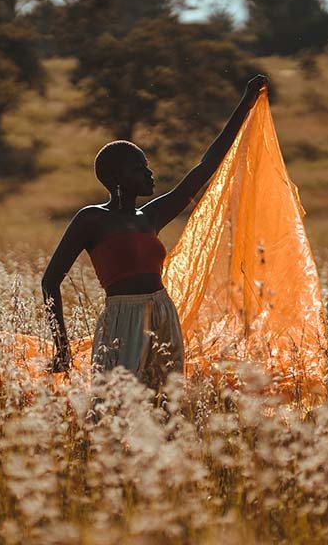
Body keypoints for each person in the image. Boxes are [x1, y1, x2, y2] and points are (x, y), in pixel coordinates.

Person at [40, 73, 270, 401]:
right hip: (122, 319)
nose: (150, 174)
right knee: (115, 407)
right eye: (139, 169)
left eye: (147, 166)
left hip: (163, 314)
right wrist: (61, 346)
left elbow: (205, 167)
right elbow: (50, 281)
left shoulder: (150, 216)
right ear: (116, 178)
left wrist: (245, 104)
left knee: (165, 405)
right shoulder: (92, 220)